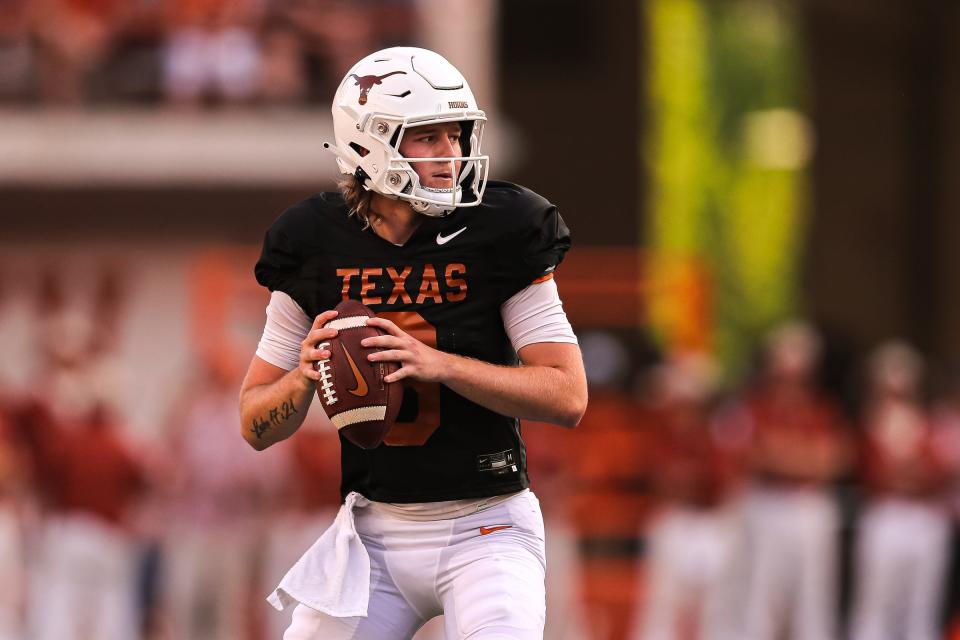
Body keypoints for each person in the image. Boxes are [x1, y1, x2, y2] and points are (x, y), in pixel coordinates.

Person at [239, 46, 587, 640]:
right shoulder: (313, 241)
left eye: (455, 134)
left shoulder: (502, 229)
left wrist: (442, 365)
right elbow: (253, 423)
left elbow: (567, 394)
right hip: (372, 535)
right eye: (427, 137)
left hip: (488, 527)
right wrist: (301, 378)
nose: (450, 154)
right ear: (367, 142)